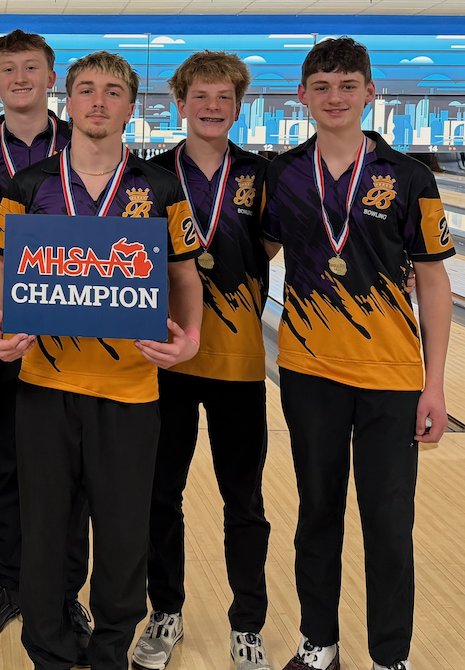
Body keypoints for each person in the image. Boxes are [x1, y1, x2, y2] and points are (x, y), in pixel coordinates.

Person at [0, 51, 204, 670]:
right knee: (47, 532)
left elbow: (184, 275)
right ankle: (48, 651)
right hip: (44, 387)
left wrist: (191, 338)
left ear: (133, 107)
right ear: (67, 101)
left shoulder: (160, 188)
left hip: (131, 393)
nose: (98, 101)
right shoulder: (30, 184)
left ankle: (109, 650)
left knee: (125, 535)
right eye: (85, 90)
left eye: (113, 91)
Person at [261, 37, 453, 670]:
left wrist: (436, 385)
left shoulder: (410, 176)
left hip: (393, 377)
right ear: (303, 95)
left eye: (348, 85)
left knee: (389, 527)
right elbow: (248, 259)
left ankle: (389, 655)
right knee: (317, 515)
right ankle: (319, 645)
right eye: (322, 85)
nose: (334, 97)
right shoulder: (282, 174)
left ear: (370, 92)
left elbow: (431, 277)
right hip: (309, 370)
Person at [132, 51, 272, 670]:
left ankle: (248, 624)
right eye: (201, 97)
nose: (213, 108)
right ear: (179, 103)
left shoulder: (265, 176)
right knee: (162, 495)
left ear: (238, 106)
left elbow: (268, 243)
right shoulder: (150, 175)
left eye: (225, 98)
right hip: (166, 362)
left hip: (239, 362)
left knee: (243, 501)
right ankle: (165, 612)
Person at [0, 29, 92, 663]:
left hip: (75, 334)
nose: (19, 77)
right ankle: (11, 580)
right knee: (5, 459)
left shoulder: (84, 143)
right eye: (7, 69)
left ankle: (66, 590)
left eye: (31, 68)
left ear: (50, 77)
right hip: (1, 328)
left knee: (72, 470)